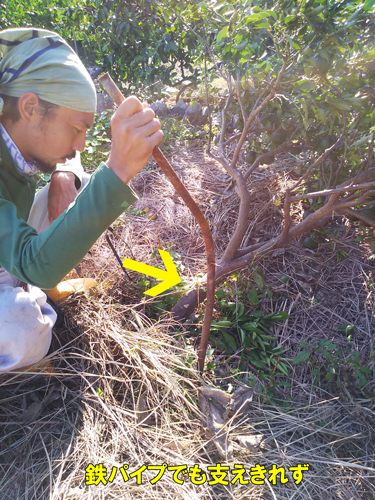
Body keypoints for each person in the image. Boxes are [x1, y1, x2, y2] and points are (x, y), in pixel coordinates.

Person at [0, 27, 163, 371]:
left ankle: (23, 289)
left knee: (83, 185)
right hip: (19, 257)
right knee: (24, 333)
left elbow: (69, 158)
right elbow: (34, 264)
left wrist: (65, 173)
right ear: (30, 107)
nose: (81, 144)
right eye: (78, 128)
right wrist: (118, 168)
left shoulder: (15, 131)